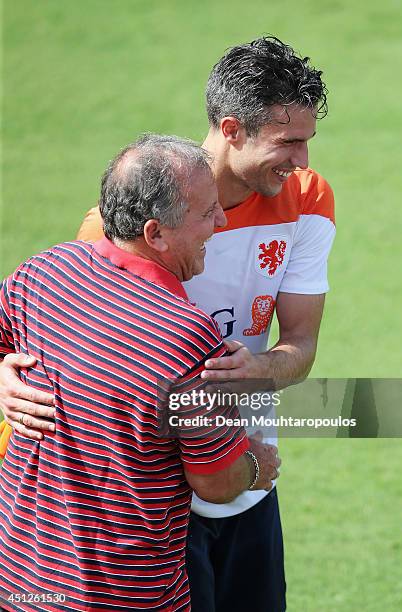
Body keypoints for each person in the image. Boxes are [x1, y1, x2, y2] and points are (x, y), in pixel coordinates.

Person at [0, 37, 335, 611]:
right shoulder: (119, 228)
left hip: (246, 471)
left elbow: (301, 345)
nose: (302, 160)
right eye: (289, 142)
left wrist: (258, 370)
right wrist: (8, 375)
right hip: (159, 498)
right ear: (231, 129)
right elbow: (59, 341)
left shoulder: (306, 199)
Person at [0, 134, 281, 611]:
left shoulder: (43, 272)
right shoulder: (187, 337)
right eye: (207, 212)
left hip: (23, 585)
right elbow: (214, 480)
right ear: (155, 234)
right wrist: (256, 465)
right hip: (125, 597)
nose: (221, 221)